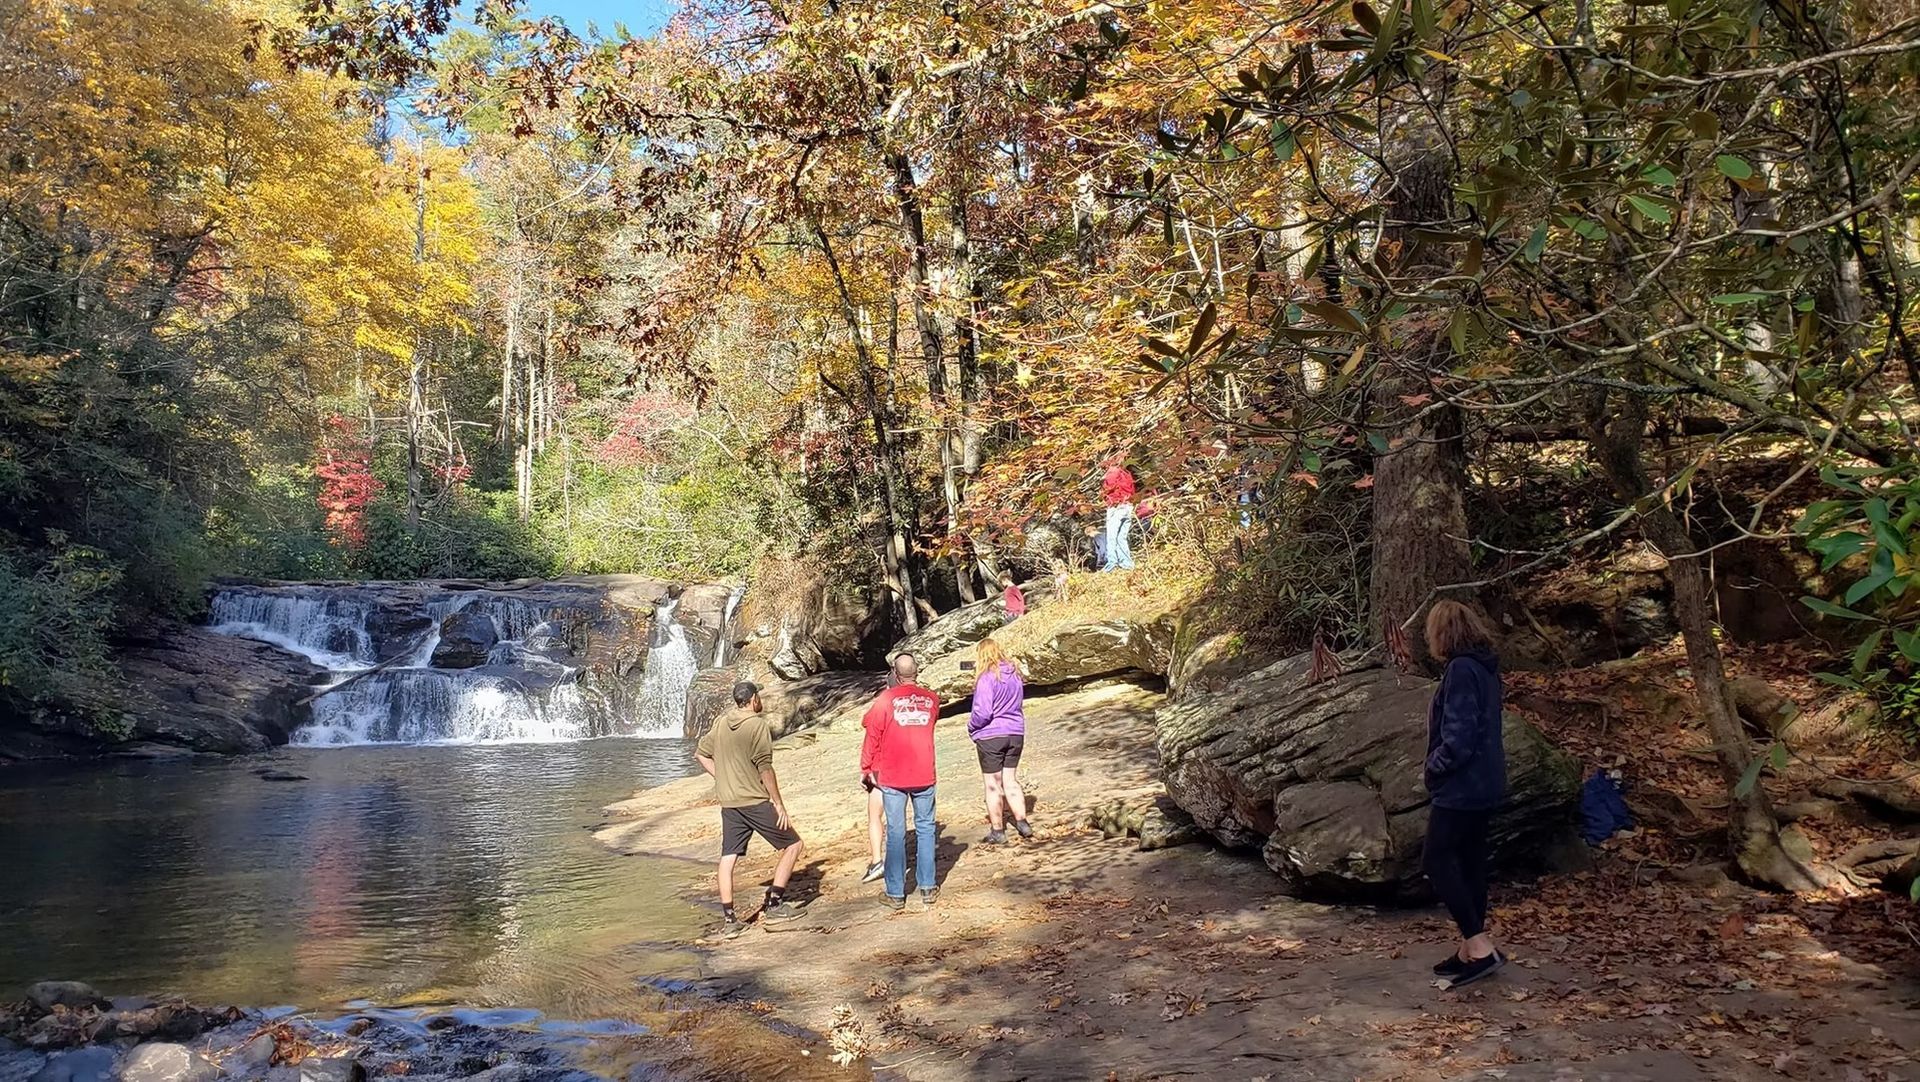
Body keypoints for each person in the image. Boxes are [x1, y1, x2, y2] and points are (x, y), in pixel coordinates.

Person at [1421, 600, 1507, 988]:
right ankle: (1469, 949)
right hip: (1487, 782)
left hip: (1462, 787)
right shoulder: (1486, 670)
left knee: (1436, 858)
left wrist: (1433, 768)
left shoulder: (1460, 670)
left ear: (1443, 634)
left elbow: (1459, 737)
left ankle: (1479, 943)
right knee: (1471, 862)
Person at [695, 681, 805, 937]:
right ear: (754, 699)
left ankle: (730, 921)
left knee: (728, 857)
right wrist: (778, 803)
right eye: (760, 696)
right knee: (793, 845)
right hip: (754, 800)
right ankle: (775, 907)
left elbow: (700, 754)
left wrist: (720, 777)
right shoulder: (757, 725)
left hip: (729, 802)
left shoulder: (721, 722)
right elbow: (765, 768)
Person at [860, 653, 941, 910]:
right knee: (926, 829)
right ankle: (928, 886)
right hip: (923, 772)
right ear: (916, 672)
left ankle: (896, 892)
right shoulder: (932, 699)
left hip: (893, 776)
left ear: (895, 674)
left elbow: (872, 733)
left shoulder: (885, 700)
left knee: (896, 832)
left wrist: (866, 767)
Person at [968, 637, 1032, 844]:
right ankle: (1022, 822)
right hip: (1015, 732)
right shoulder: (1015, 675)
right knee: (1011, 780)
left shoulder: (986, 677)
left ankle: (998, 830)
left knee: (992, 784)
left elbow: (983, 712)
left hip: (991, 735)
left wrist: (972, 727)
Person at [1101, 458, 1137, 571]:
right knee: (1122, 537)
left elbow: (1109, 488)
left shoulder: (1112, 472)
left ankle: (1111, 563)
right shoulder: (1126, 473)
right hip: (1128, 506)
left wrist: (1102, 492)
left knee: (1111, 536)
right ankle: (1127, 563)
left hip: (1116, 507)